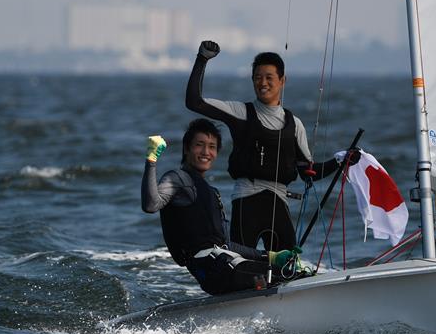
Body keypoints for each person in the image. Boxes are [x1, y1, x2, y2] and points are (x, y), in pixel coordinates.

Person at [186, 40, 345, 252]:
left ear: (282, 81)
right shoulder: (240, 112)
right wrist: (202, 59)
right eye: (258, 78)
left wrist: (340, 161)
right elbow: (194, 101)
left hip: (279, 204)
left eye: (269, 78)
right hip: (246, 202)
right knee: (243, 266)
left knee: (287, 267)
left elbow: (309, 173)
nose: (263, 83)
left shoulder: (294, 125)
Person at [141, 118, 297, 295]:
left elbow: (226, 244)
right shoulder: (178, 179)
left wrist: (271, 256)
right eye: (199, 145)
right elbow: (151, 204)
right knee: (287, 276)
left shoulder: (211, 192)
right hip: (212, 269)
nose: (206, 151)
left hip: (224, 263)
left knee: (288, 272)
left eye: (212, 146)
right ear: (186, 148)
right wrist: (151, 159)